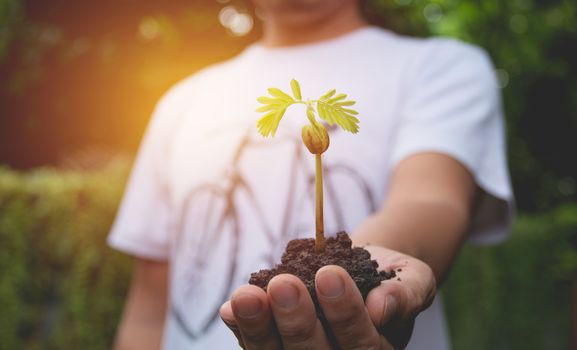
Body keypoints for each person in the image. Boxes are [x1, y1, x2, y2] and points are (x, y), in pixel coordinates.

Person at [108, 0, 514, 349]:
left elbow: (430, 199)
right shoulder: (182, 101)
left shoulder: (440, 67)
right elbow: (149, 302)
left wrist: (364, 266)